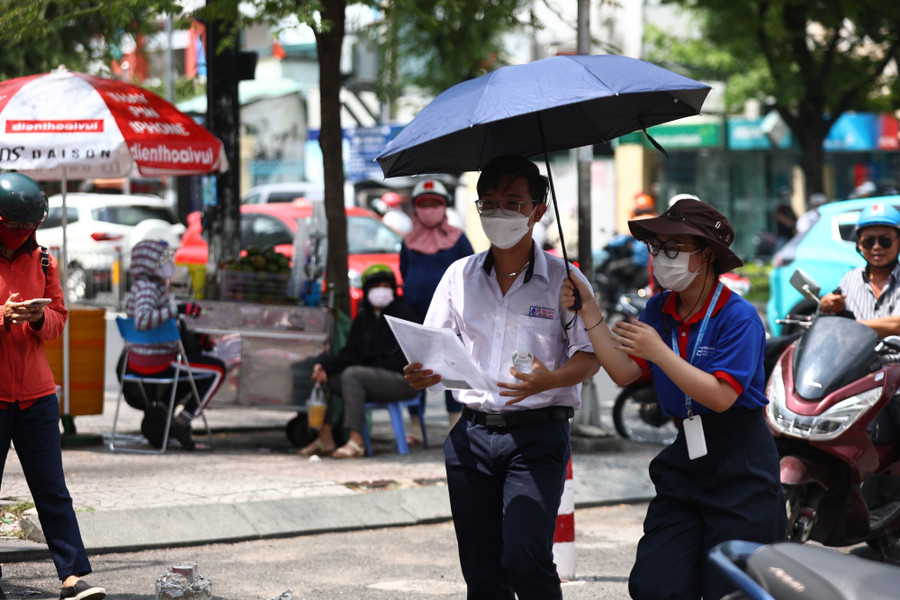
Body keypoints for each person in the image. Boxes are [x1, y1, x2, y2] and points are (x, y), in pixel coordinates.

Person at [561, 197, 786, 600]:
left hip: (742, 462)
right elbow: (625, 371)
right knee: (656, 583)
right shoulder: (659, 309)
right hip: (687, 457)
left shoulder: (738, 316)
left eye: (673, 248)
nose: (661, 258)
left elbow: (721, 397)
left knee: (732, 589)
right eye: (657, 248)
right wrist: (589, 308)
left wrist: (661, 353)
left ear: (706, 256)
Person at [403, 155, 600, 599]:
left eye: (512, 203)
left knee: (525, 557)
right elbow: (435, 350)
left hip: (537, 438)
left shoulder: (565, 280)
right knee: (481, 566)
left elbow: (590, 357)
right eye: (489, 202)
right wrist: (421, 374)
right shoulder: (460, 276)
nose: (500, 213)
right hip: (470, 437)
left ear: (537, 210)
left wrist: (549, 380)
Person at [0, 172, 106, 600]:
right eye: (19, 225)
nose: (26, 233)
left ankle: (72, 576)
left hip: (39, 397)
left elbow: (60, 320)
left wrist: (39, 317)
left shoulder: (45, 261)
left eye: (31, 225)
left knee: (52, 489)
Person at [298, 263, 419, 459]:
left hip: (402, 380)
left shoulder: (405, 316)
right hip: (369, 379)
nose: (382, 291)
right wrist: (324, 367)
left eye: (386, 286)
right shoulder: (363, 319)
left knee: (353, 375)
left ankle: (356, 442)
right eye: (376, 286)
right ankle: (325, 437)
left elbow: (406, 359)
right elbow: (349, 354)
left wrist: (367, 367)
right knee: (330, 377)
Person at [121, 240, 225, 451]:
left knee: (192, 376)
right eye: (163, 260)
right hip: (158, 360)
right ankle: (182, 421)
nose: (169, 264)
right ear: (149, 263)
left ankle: (168, 419)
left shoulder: (147, 287)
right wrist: (178, 309)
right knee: (217, 370)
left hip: (140, 361)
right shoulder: (148, 289)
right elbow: (142, 320)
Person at [400, 178, 474, 441]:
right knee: (418, 371)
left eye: (435, 204)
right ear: (416, 208)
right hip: (416, 317)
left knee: (451, 370)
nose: (430, 209)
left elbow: (472, 275)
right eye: (424, 204)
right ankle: (416, 429)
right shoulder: (408, 241)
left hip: (452, 321)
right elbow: (404, 271)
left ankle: (455, 426)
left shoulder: (458, 239)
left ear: (445, 207)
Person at [819, 203, 900, 339]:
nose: (876, 247)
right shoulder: (848, 280)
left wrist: (849, 327)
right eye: (868, 241)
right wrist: (825, 306)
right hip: (856, 359)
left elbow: (897, 325)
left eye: (885, 241)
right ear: (859, 245)